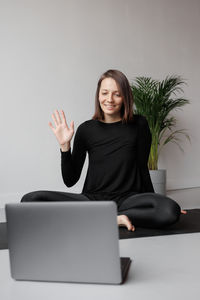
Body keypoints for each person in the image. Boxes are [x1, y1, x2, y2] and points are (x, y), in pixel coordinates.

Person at [21, 69, 186, 231]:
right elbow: (70, 180)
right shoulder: (86, 129)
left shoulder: (139, 124)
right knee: (30, 200)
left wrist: (156, 201)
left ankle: (101, 217)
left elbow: (142, 168)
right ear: (98, 95)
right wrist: (65, 147)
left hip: (129, 199)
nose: (110, 99)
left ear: (125, 97)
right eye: (105, 93)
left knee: (169, 211)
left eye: (117, 94)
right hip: (92, 200)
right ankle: (111, 217)